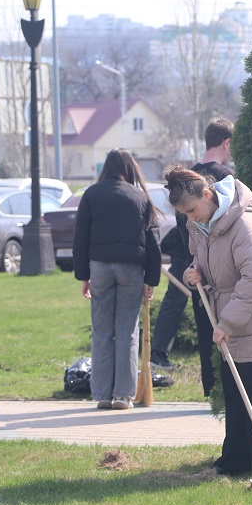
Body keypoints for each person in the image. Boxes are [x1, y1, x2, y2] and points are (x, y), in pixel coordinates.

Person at [164, 164, 252, 478]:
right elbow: (200, 260)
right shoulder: (198, 224)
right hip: (226, 315)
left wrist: (227, 323)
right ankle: (233, 463)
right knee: (233, 391)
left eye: (192, 210)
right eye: (185, 215)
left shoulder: (246, 226)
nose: (190, 218)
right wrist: (194, 273)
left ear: (207, 194)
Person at [150, 118, 234, 395]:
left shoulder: (185, 179)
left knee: (205, 330)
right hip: (219, 268)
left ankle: (212, 391)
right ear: (226, 143)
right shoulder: (225, 179)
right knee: (223, 332)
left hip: (194, 265)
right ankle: (223, 391)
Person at [73, 149, 161, 411]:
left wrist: (84, 276)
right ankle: (123, 395)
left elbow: (81, 237)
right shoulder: (140, 197)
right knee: (127, 331)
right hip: (131, 269)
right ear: (129, 168)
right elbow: (153, 241)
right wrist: (151, 280)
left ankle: (101, 394)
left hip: (100, 267)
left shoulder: (91, 194)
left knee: (102, 332)